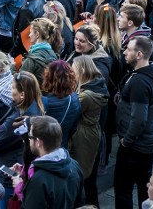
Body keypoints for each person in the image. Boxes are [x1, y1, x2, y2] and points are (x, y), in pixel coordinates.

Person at [115, 36, 153, 209]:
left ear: (139, 54)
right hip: (149, 140)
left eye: (128, 50)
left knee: (123, 187)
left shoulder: (139, 82)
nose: (124, 52)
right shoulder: (151, 71)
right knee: (145, 186)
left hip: (136, 145)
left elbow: (139, 120)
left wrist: (126, 140)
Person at [0, 70, 44, 209]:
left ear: (22, 94)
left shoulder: (16, 120)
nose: (10, 90)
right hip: (22, 166)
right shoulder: (36, 107)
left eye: (13, 88)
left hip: (9, 172)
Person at [15, 115, 84, 209]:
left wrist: (19, 186)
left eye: (30, 136)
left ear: (38, 142)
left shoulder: (39, 181)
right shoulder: (75, 165)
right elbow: (80, 203)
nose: (28, 140)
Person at [70, 55, 109, 205]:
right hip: (91, 135)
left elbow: (71, 111)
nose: (72, 72)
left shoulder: (85, 96)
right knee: (89, 179)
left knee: (83, 178)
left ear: (82, 70)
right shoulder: (97, 85)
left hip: (84, 138)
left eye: (74, 68)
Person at [40, 60, 81, 147]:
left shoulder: (43, 102)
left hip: (43, 147)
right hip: (62, 144)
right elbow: (74, 127)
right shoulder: (74, 98)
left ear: (48, 78)